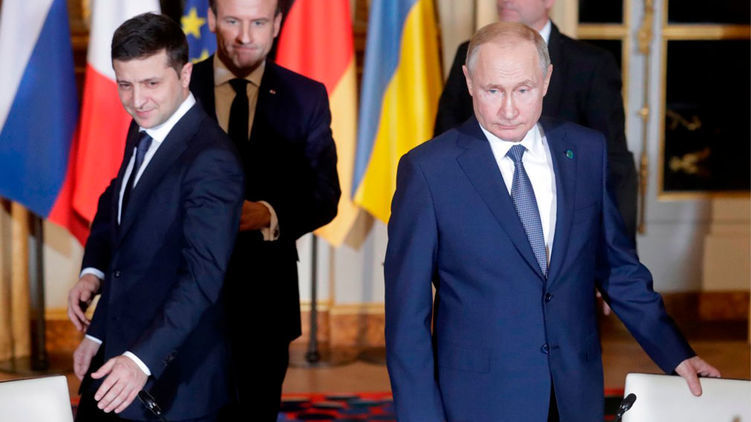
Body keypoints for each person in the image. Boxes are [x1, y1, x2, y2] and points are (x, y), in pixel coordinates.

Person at [384, 22, 720, 422]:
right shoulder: (428, 171)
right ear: (469, 82)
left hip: (574, 391)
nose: (509, 109)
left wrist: (675, 353)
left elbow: (617, 269)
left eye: (523, 90)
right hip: (480, 398)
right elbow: (407, 318)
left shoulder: (586, 151)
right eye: (493, 91)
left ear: (546, 80)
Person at [66, 12, 244, 421]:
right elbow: (118, 207)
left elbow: (202, 279)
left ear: (184, 75)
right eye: (125, 84)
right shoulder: (145, 126)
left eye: (151, 83)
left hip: (172, 383)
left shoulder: (212, 159)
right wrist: (94, 276)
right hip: (115, 355)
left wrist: (139, 361)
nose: (136, 100)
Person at [189, 0, 341, 419]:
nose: (244, 36)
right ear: (212, 20)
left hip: (266, 297)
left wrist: (268, 214)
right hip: (184, 293)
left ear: (276, 24)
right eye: (232, 21)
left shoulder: (306, 96)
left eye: (258, 22)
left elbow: (324, 193)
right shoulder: (177, 87)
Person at [435, 0, 639, 242]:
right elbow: (445, 143)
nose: (505, 0)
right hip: (479, 229)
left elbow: (614, 163)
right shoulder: (468, 53)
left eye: (523, 90)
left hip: (566, 237)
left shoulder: (590, 64)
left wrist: (617, 249)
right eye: (493, 91)